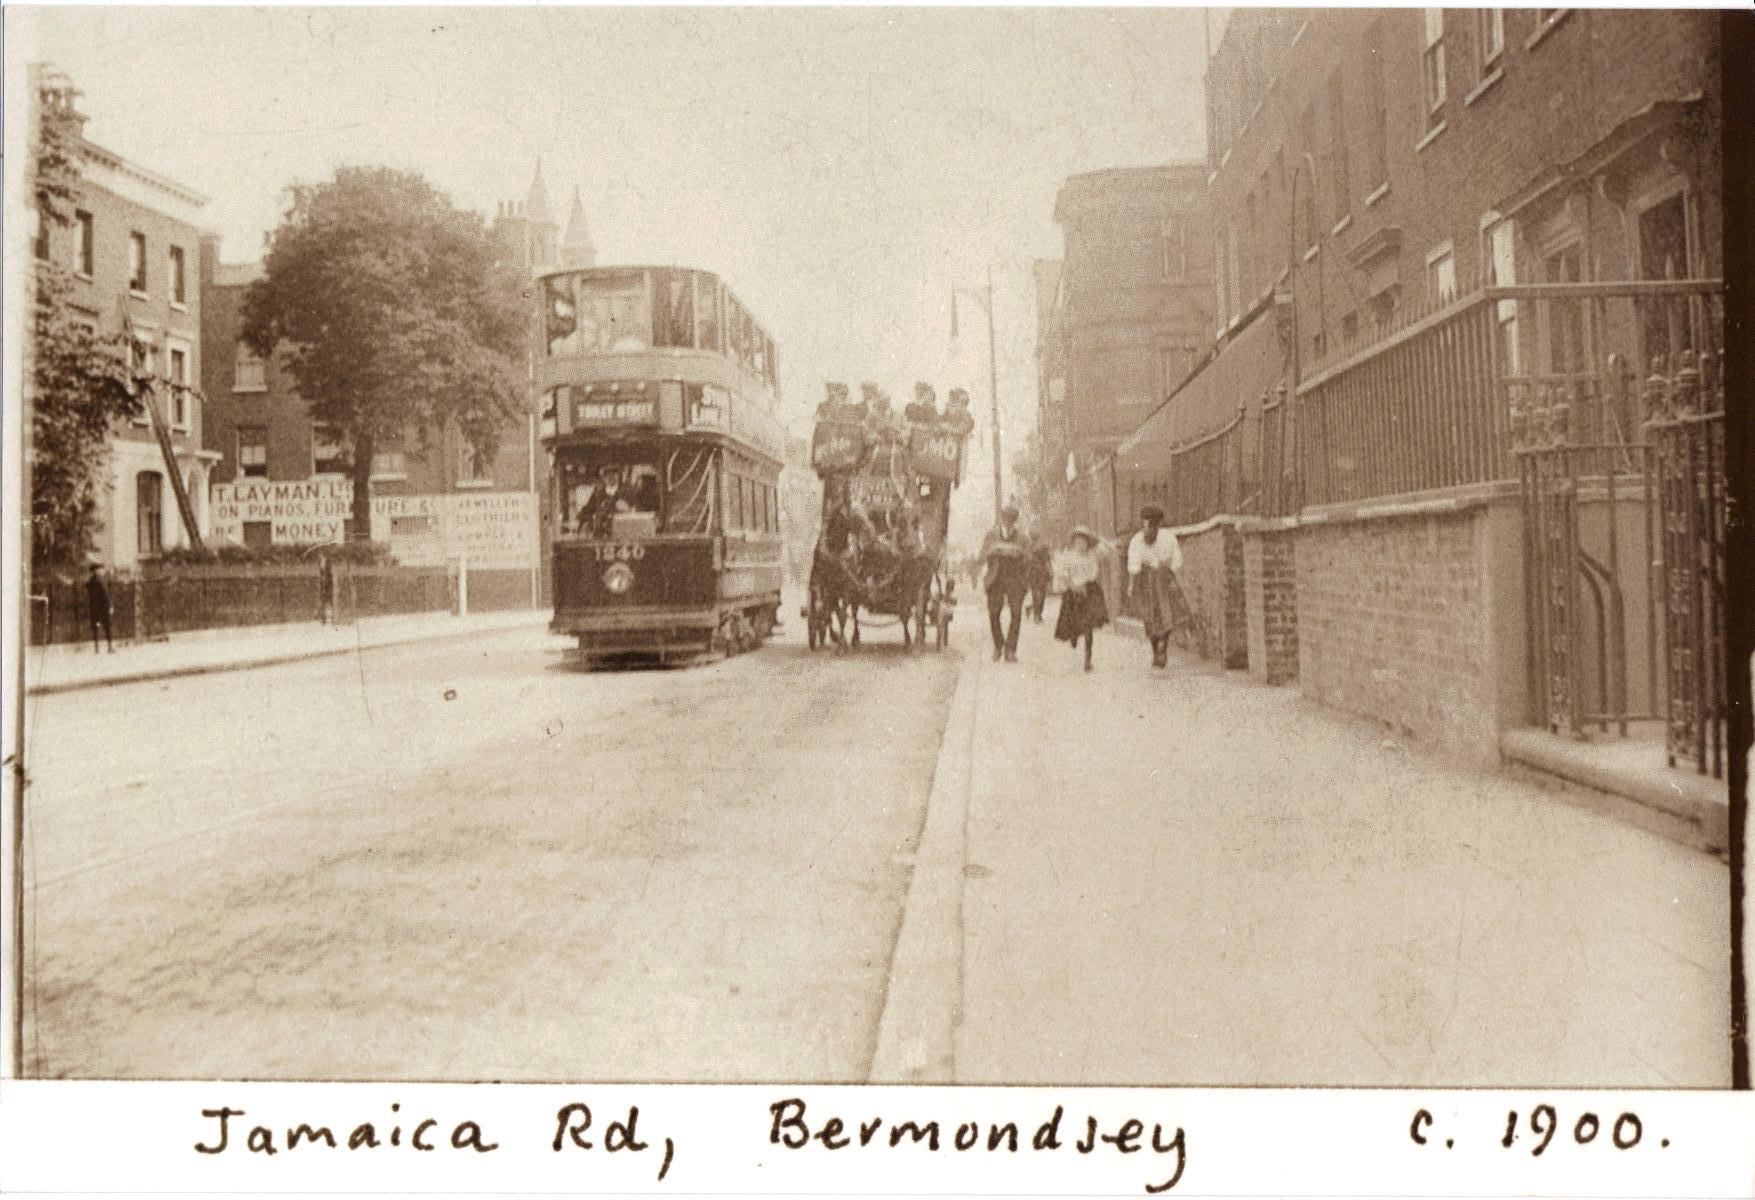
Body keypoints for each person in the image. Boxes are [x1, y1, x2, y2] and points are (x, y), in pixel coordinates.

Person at [1127, 504, 1183, 669]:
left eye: (1152, 526)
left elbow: (1176, 562)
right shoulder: (1136, 541)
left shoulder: (1168, 539)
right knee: (1149, 619)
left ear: (1158, 525)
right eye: (1145, 525)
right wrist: (1131, 585)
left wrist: (1174, 580)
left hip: (1163, 580)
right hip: (1145, 583)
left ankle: (1163, 646)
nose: (1148, 530)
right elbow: (1133, 566)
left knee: (1167, 615)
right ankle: (1155, 651)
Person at [1053, 526, 1109, 672]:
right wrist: (1072, 586)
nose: (1081, 545)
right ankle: (1073, 636)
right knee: (1073, 622)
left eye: (1084, 541)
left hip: (1088, 593)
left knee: (1088, 626)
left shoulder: (1092, 556)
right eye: (1078, 541)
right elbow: (1062, 575)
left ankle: (1087, 660)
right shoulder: (1069, 557)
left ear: (1087, 543)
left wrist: (1096, 539)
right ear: (1074, 543)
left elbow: (1105, 550)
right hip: (1073, 594)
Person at [980, 503, 1030, 662]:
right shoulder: (991, 535)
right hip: (996, 577)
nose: (1008, 523)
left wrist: (1019, 553)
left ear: (1015, 522)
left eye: (1011, 520)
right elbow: (982, 555)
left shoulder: (1022, 538)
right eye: (1006, 519)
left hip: (1015, 578)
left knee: (1016, 613)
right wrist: (992, 552)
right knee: (994, 613)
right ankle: (998, 644)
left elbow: (1028, 558)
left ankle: (1011, 650)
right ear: (1001, 519)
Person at [85, 563, 114, 653]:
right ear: (96, 571)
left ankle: (96, 648)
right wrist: (110, 606)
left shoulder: (90, 582)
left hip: (94, 608)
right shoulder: (101, 581)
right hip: (103, 608)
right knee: (107, 626)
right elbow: (105, 594)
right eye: (100, 569)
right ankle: (110, 647)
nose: (101, 571)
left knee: (96, 627)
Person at [1026, 535, 1052, 622]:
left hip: (1040, 575)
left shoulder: (1039, 550)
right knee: (1038, 595)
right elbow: (1048, 564)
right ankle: (1036, 615)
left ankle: (1034, 612)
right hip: (1035, 575)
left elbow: (1048, 564)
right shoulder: (1038, 551)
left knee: (1041, 595)